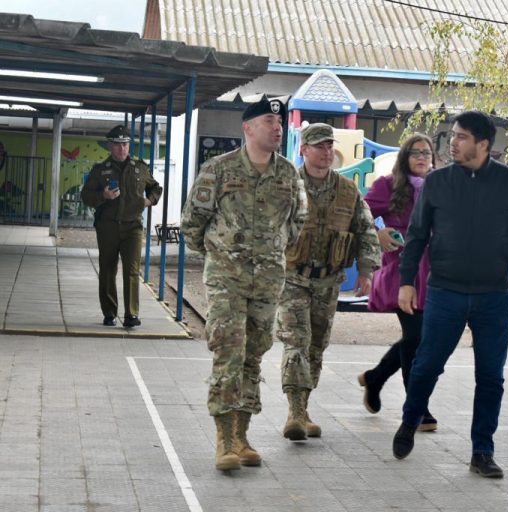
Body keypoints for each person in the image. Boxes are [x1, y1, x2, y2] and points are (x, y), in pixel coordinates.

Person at [391, 111, 508, 478]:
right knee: (427, 365)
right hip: (446, 292)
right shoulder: (437, 184)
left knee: (491, 377)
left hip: (493, 296)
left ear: (483, 144)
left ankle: (482, 452)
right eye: (452, 136)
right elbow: (416, 236)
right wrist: (407, 281)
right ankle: (410, 420)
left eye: (460, 137)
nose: (452, 143)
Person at [180, 97, 307, 471]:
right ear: (248, 128)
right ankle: (223, 441)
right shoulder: (217, 170)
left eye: (280, 120)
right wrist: (222, 258)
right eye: (269, 120)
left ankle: (242, 436)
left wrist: (273, 251)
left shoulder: (287, 174)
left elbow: (297, 222)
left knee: (253, 357)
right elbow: (192, 224)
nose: (277, 126)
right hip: (227, 282)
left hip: (268, 284)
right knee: (228, 354)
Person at [278, 123, 381, 441]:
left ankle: (304, 407)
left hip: (328, 281)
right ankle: (294, 412)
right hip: (292, 279)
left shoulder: (348, 191)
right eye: (318, 146)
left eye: (328, 146)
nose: (325, 152)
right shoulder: (285, 187)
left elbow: (365, 230)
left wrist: (366, 269)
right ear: (303, 150)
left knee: (317, 346)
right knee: (296, 342)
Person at [356, 134, 437, 431]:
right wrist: (377, 233)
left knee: (421, 337)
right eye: (415, 152)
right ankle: (417, 407)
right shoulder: (387, 185)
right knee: (415, 337)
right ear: (404, 157)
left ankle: (375, 378)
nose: (421, 157)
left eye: (427, 153)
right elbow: (360, 214)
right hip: (402, 271)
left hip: (435, 274)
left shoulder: (440, 187)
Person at [80, 125, 163, 328]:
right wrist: (103, 196)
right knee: (108, 270)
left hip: (133, 227)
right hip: (107, 227)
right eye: (117, 145)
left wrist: (150, 200)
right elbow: (86, 196)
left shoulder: (140, 168)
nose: (122, 149)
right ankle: (109, 313)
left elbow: (156, 187)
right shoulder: (100, 170)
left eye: (125, 144)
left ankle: (131, 314)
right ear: (110, 146)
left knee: (132, 270)